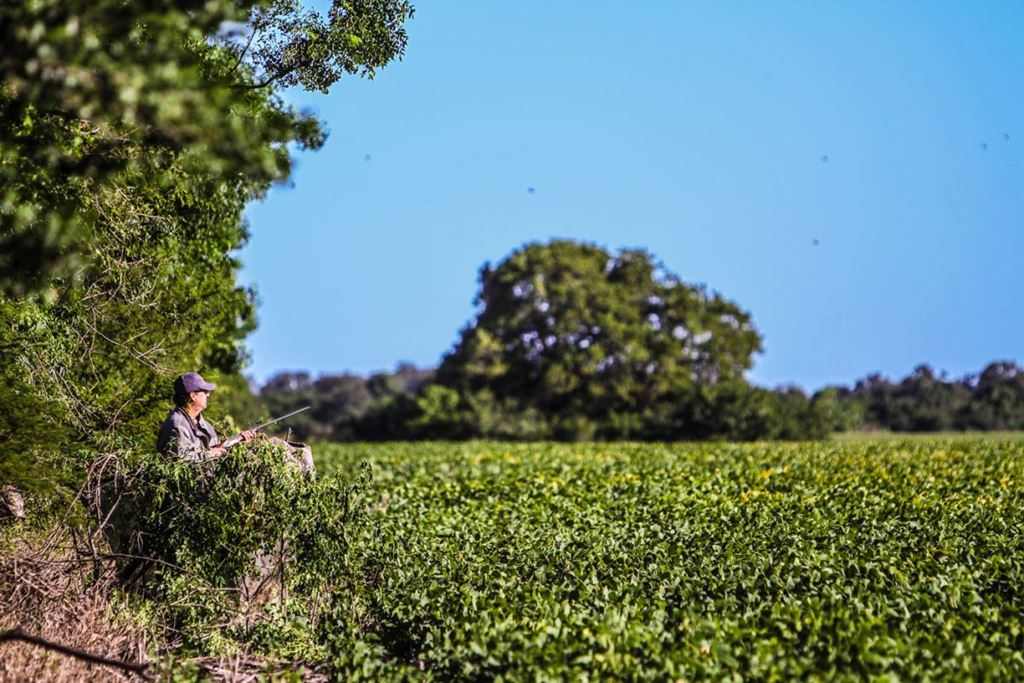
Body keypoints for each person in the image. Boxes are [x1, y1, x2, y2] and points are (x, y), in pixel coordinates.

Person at [156, 372, 254, 461]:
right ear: (193, 396)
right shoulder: (176, 425)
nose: (208, 395)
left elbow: (215, 449)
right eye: (204, 391)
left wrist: (238, 440)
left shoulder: (205, 425)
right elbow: (180, 460)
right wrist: (210, 454)